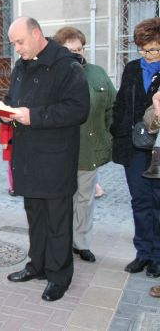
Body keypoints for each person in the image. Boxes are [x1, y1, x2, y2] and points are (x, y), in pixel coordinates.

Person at [4, 17, 89, 302]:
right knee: (36, 217)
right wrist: (5, 110)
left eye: (20, 42)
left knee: (57, 221)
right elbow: (13, 98)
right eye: (13, 43)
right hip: (28, 157)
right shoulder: (22, 65)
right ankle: (36, 265)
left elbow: (78, 110)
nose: (16, 48)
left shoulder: (67, 65)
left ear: (37, 34)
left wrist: (34, 116)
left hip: (55, 159)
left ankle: (58, 276)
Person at [53, 27, 116, 264]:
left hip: (88, 149)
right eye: (71, 51)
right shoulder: (54, 76)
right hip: (60, 152)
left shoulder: (97, 74)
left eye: (80, 49)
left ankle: (82, 243)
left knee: (84, 200)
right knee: (62, 200)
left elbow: (113, 107)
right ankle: (62, 241)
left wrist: (108, 136)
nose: (77, 54)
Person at [111, 17, 160, 280]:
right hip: (134, 148)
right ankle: (143, 253)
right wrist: (117, 134)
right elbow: (120, 105)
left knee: (157, 201)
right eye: (143, 48)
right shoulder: (131, 68)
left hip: (158, 149)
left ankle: (158, 256)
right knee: (140, 201)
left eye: (153, 48)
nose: (148, 54)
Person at [0, 122, 15, 195]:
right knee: (12, 166)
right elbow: (4, 127)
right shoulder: (7, 112)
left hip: (24, 141)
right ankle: (13, 187)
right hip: (11, 142)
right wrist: (4, 141)